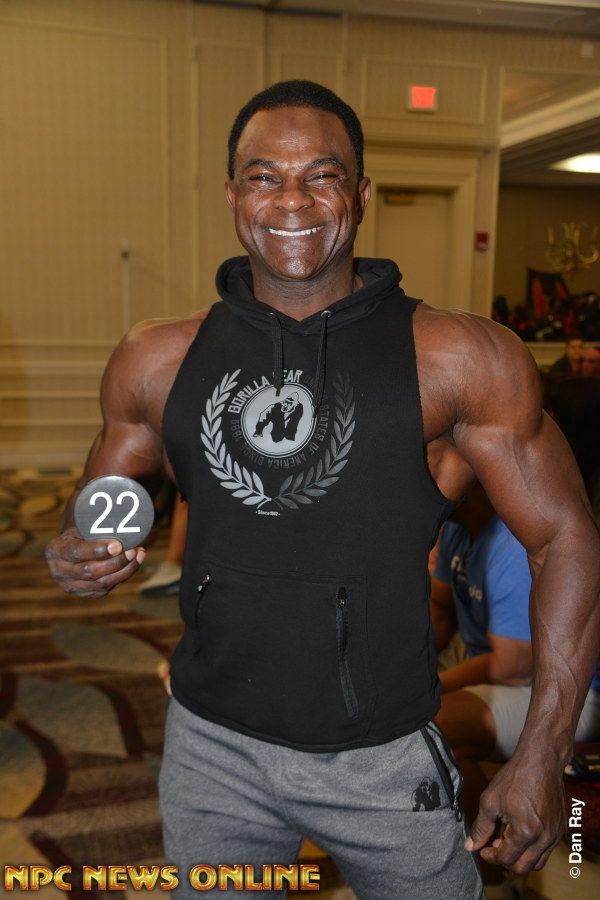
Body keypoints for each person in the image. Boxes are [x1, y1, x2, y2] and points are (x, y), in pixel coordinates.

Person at [46, 80, 600, 898]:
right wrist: (74, 549)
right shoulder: (157, 359)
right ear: (233, 195)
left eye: (322, 175)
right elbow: (96, 503)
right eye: (264, 176)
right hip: (211, 747)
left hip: (381, 755)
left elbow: (566, 538)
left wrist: (545, 752)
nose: (292, 200)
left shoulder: (457, 358)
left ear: (362, 194)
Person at [431, 482, 600, 896]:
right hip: (506, 677)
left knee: (439, 725)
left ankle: (495, 882)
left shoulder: (509, 541)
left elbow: (513, 665)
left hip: (571, 694)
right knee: (409, 718)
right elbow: (438, 608)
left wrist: (428, 686)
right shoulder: (455, 531)